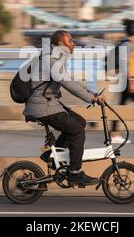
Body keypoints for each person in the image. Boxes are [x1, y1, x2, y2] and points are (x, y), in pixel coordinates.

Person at [23, 30, 104, 186]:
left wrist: (91, 93)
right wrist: (90, 98)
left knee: (80, 122)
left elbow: (70, 80)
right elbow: (68, 84)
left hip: (49, 103)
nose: (73, 44)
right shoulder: (51, 61)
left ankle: (55, 157)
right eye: (70, 41)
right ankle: (75, 173)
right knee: (77, 130)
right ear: (60, 44)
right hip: (42, 107)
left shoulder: (56, 59)